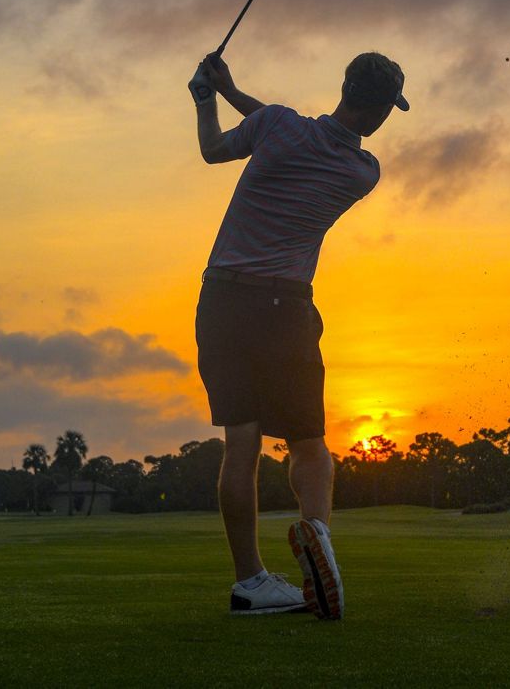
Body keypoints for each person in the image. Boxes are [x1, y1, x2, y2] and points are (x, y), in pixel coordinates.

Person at [188, 50, 409, 619]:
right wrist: (237, 92)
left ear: (342, 84)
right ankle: (317, 537)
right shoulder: (363, 173)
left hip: (222, 297)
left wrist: (210, 96)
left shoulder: (278, 126)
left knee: (242, 443)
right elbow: (297, 135)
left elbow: (222, 147)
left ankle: (249, 584)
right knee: (308, 441)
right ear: (384, 111)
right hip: (285, 305)